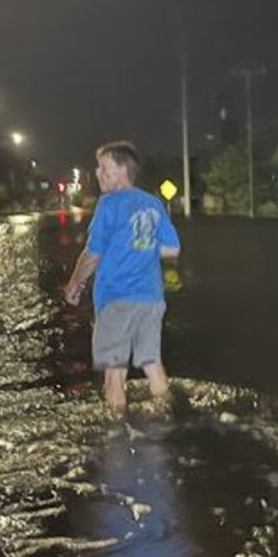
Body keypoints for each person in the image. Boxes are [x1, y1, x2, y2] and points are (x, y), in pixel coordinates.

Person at [65, 141, 180, 411]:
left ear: (121, 170)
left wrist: (74, 282)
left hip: (117, 299)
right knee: (152, 364)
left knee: (114, 373)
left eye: (103, 167)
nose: (97, 173)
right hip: (151, 299)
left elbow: (93, 254)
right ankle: (171, 419)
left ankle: (116, 438)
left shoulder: (109, 203)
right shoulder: (153, 203)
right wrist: (140, 249)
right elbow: (172, 248)